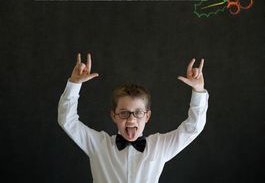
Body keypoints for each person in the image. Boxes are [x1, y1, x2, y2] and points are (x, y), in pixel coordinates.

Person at [58, 53, 209, 183]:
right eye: (124, 113)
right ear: (113, 116)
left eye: (138, 112)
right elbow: (67, 121)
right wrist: (74, 84)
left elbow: (192, 128)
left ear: (147, 116)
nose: (131, 119)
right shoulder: (98, 145)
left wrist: (198, 90)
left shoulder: (159, 146)